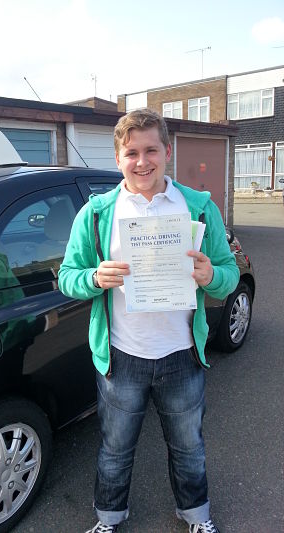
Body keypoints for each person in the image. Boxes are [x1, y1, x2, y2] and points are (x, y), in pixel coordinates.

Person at [58, 109, 239, 533]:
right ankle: (109, 518)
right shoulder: (98, 213)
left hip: (182, 356)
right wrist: (93, 277)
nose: (142, 161)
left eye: (151, 150)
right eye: (131, 152)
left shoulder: (198, 207)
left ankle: (196, 516)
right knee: (115, 450)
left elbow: (227, 274)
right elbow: (67, 276)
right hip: (122, 358)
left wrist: (212, 276)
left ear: (167, 151)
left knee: (189, 446)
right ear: (118, 157)